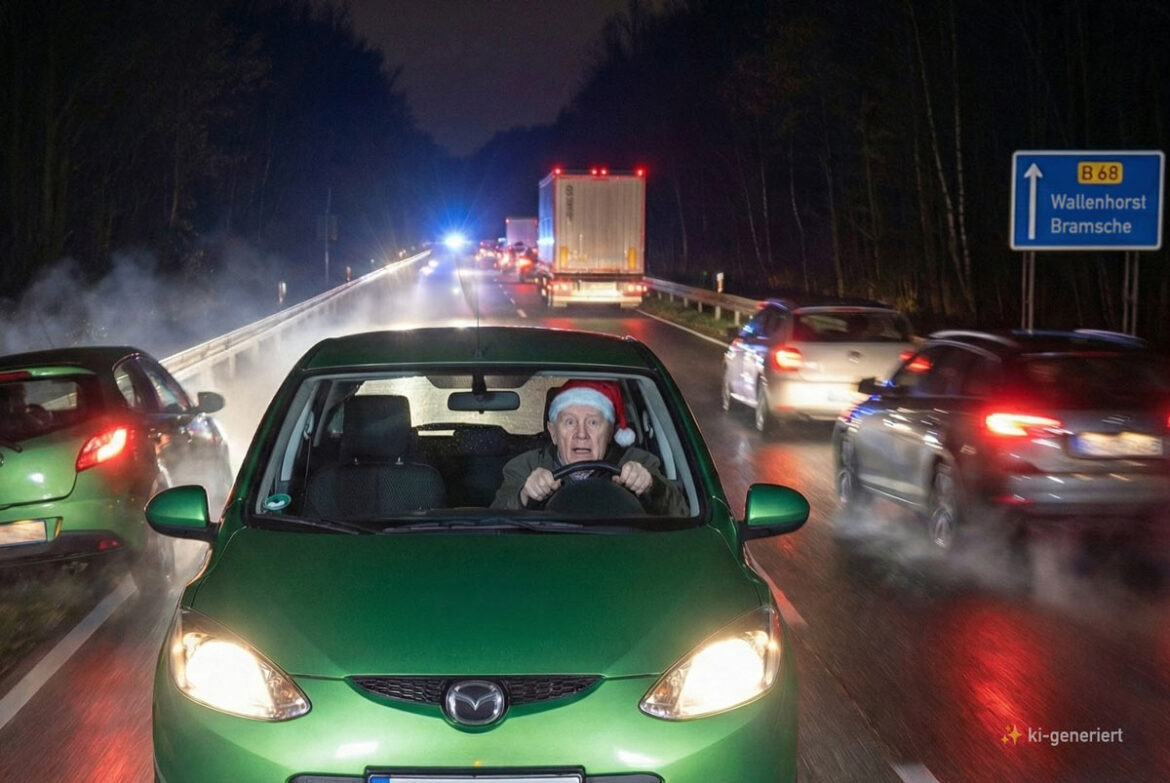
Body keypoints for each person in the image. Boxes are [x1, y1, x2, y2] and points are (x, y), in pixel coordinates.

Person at [491, 379, 689, 516]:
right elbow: (494, 521)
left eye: (593, 423)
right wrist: (524, 495)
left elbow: (683, 514)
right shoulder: (524, 466)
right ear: (553, 432)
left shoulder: (639, 463)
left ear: (611, 432)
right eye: (569, 422)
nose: (581, 434)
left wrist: (652, 487)